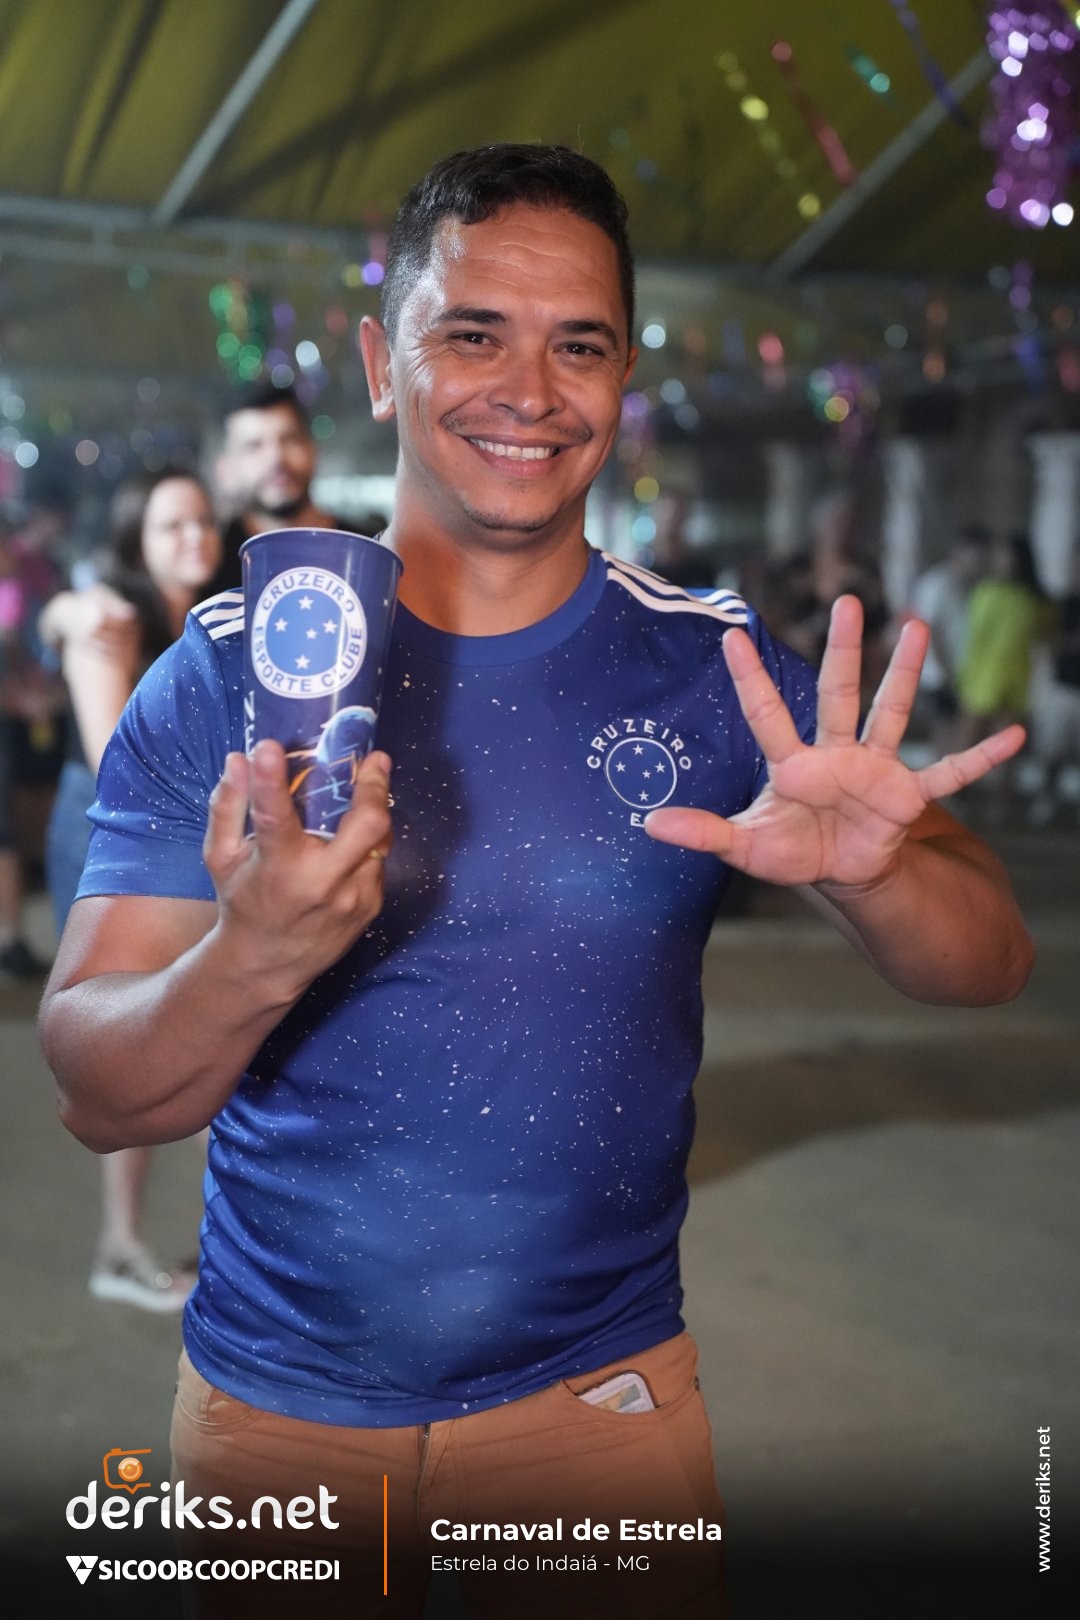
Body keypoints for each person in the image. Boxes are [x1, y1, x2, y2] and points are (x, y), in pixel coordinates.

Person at [39, 145, 1033, 1620]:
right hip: (276, 1421)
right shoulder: (239, 669)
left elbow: (992, 962)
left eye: (579, 344)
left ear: (624, 376)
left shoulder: (709, 663)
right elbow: (97, 1090)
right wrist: (250, 957)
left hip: (598, 1413)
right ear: (380, 363)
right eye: (472, 333)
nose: (530, 389)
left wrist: (874, 872)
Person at [40, 468, 222, 1311]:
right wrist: (67, 610)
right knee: (132, 1043)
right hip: (111, 846)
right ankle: (119, 1248)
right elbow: (124, 768)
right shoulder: (110, 618)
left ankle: (238, 1240)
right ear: (135, 540)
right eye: (171, 525)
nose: (194, 537)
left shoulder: (217, 618)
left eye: (201, 521)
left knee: (202, 1037)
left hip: (195, 846)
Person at [213, 381, 356, 587]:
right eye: (254, 446)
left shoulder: (362, 551)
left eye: (289, 439)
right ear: (226, 469)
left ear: (313, 450)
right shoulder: (211, 564)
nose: (276, 458)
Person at [906, 524, 989, 750]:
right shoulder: (938, 583)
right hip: (939, 677)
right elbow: (931, 630)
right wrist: (946, 673)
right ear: (959, 551)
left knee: (956, 739)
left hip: (959, 676)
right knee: (945, 738)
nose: (978, 564)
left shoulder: (968, 586)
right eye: (975, 556)